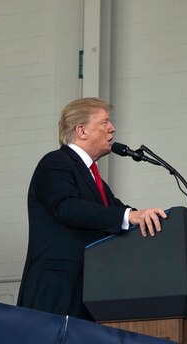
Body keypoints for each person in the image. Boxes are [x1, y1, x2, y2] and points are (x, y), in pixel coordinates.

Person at [17, 97, 167, 319]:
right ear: (82, 131)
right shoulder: (55, 162)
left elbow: (116, 212)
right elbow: (67, 207)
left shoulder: (96, 181)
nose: (112, 129)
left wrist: (145, 217)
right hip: (57, 294)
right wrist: (129, 216)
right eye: (105, 122)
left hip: (89, 294)